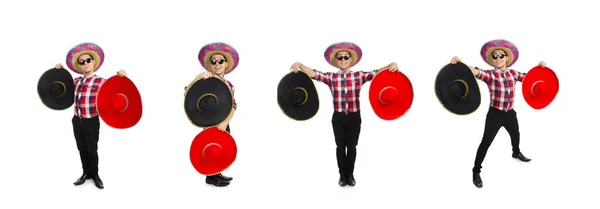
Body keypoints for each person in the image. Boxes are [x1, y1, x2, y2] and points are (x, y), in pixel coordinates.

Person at [289, 42, 398, 187]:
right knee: (340, 147)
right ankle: (342, 175)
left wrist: (391, 64)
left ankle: (350, 175)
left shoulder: (359, 76)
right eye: (340, 58)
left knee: (352, 147)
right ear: (336, 61)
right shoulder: (332, 78)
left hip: (354, 117)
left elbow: (376, 72)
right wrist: (300, 65)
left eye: (346, 57)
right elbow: (315, 74)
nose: (343, 60)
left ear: (350, 60)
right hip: (338, 118)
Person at [450, 39, 547, 188]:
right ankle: (476, 171)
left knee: (516, 134)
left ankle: (516, 152)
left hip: (510, 113)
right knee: (485, 143)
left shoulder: (513, 73)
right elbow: (475, 72)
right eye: (494, 56)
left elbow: (530, 78)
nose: (498, 59)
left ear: (507, 58)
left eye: (501, 55)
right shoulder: (490, 75)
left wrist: (540, 67)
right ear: (492, 60)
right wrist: (460, 64)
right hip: (495, 114)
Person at [57, 42, 128, 189]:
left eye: (88, 60)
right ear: (79, 66)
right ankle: (85, 174)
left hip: (91, 121)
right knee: (81, 148)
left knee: (91, 148)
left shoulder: (101, 82)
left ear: (94, 62)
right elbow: (60, 85)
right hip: (77, 120)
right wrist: (58, 70)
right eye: (81, 62)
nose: (85, 63)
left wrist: (123, 76)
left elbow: (116, 92)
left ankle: (95, 175)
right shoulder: (75, 81)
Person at [185, 42, 238, 187]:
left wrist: (226, 122)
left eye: (220, 61)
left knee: (221, 147)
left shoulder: (229, 85)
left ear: (226, 64)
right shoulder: (204, 80)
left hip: (223, 121)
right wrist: (198, 77)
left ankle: (217, 172)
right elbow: (187, 93)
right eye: (213, 61)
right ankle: (211, 177)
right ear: (210, 64)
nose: (217, 64)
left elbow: (234, 105)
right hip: (208, 121)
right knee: (211, 148)